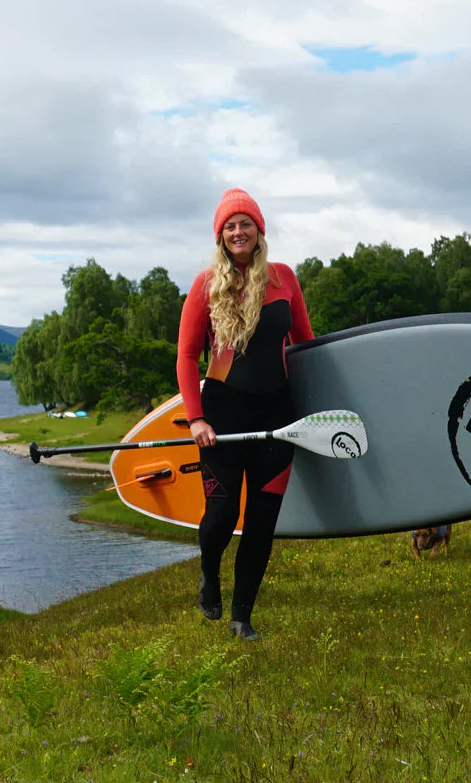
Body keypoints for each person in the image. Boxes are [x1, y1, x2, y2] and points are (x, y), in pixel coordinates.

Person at [176, 188, 314, 641]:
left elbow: (306, 347)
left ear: (259, 231)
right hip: (222, 419)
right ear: (221, 236)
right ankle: (209, 578)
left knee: (261, 523)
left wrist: (313, 410)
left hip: (277, 419)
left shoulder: (284, 279)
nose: (238, 231)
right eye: (230, 226)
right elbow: (186, 356)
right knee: (219, 518)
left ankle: (242, 617)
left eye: (245, 223)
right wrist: (196, 419)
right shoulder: (205, 285)